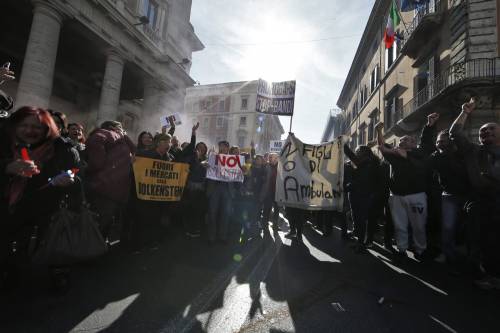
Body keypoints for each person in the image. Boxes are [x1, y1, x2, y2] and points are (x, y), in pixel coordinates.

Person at [0, 106, 79, 293]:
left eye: (37, 127)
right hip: (6, 207)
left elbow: (75, 172)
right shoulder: (5, 143)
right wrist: (6, 167)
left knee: (28, 249)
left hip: (41, 210)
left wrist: (67, 179)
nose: (29, 131)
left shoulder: (64, 149)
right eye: (24, 126)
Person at [450, 98, 500, 289]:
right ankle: (484, 274)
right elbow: (455, 132)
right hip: (479, 203)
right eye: (482, 131)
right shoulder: (474, 151)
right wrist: (465, 112)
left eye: (491, 129)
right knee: (479, 240)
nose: (486, 131)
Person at [376, 121, 433, 260]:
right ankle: (402, 248)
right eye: (401, 140)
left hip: (416, 196)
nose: (402, 141)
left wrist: (430, 124)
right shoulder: (394, 155)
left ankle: (420, 249)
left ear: (414, 143)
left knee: (419, 226)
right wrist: (378, 131)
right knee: (399, 225)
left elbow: (426, 144)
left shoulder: (420, 154)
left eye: (406, 139)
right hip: (396, 196)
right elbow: (382, 147)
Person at [418, 113, 471, 265]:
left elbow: (457, 134)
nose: (440, 143)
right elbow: (425, 147)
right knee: (447, 227)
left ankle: (474, 257)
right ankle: (448, 255)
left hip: (470, 196)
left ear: (451, 142)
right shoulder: (436, 157)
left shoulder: (462, 153)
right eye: (438, 141)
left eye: (443, 141)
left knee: (471, 228)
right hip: (449, 196)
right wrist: (429, 126)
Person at [85, 120, 135, 242]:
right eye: (121, 127)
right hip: (114, 190)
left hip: (103, 187)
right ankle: (94, 250)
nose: (123, 130)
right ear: (112, 127)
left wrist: (86, 168)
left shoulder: (114, 138)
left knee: (98, 223)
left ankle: (92, 251)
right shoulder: (106, 134)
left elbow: (96, 163)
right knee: (102, 224)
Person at [343, 144, 382, 252]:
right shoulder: (364, 163)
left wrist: (343, 145)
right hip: (357, 195)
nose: (356, 153)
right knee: (357, 219)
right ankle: (359, 241)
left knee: (360, 220)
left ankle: (361, 244)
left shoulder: (368, 163)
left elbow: (360, 181)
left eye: (358, 151)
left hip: (362, 196)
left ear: (364, 152)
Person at [206, 140, 234, 244]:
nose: (222, 148)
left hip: (227, 189)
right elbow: (206, 166)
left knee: (225, 214)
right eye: (220, 146)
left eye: (224, 147)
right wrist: (206, 165)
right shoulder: (213, 157)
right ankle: (211, 237)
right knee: (212, 213)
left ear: (227, 148)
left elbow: (237, 173)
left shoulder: (233, 160)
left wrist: (242, 170)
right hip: (214, 188)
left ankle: (223, 236)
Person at [183, 141, 208, 238]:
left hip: (202, 187)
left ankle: (196, 228)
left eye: (203, 147)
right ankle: (189, 228)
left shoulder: (207, 159)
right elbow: (186, 167)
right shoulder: (191, 158)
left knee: (199, 209)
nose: (201, 149)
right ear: (196, 148)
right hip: (192, 186)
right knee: (191, 208)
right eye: (199, 147)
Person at [261, 153, 280, 231]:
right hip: (268, 191)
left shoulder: (281, 167)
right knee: (267, 209)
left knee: (277, 209)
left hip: (278, 192)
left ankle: (275, 225)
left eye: (275, 158)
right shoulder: (266, 166)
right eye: (271, 157)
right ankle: (265, 224)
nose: (273, 159)